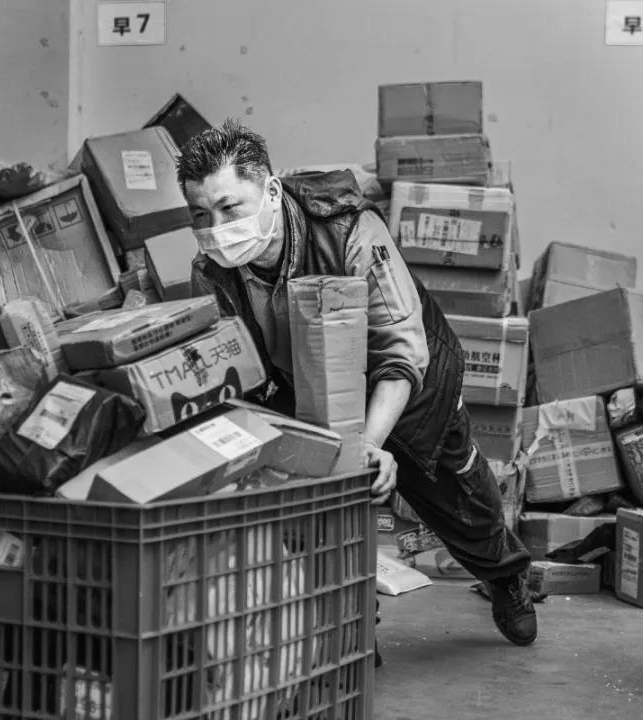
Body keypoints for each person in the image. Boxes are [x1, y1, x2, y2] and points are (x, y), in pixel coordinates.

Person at [177, 119, 536, 655]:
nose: (217, 228)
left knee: (459, 501)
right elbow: (230, 362)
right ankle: (353, 628)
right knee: (318, 512)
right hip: (309, 389)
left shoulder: (348, 230)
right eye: (200, 215)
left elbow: (401, 350)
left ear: (270, 191)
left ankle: (506, 578)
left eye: (230, 208)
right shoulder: (212, 269)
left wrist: (367, 443)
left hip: (408, 385)